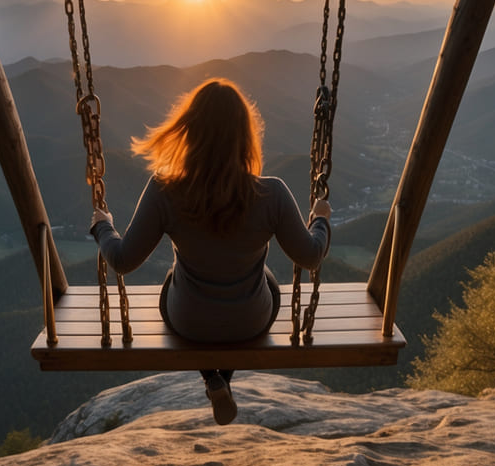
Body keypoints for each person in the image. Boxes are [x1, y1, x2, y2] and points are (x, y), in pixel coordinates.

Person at [89, 77, 331, 425]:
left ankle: (211, 377)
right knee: (266, 281)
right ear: (244, 136)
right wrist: (320, 219)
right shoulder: (271, 193)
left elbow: (123, 260)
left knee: (175, 279)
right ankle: (222, 379)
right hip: (251, 322)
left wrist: (102, 225)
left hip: (189, 322)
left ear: (189, 131)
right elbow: (310, 256)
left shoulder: (164, 190)